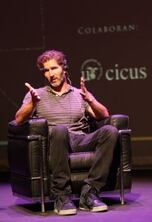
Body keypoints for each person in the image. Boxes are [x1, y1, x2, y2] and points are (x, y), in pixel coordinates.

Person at [14, 50, 118, 216]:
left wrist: (90, 99)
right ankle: (61, 196)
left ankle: (90, 192)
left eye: (54, 68)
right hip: (56, 141)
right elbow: (18, 120)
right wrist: (31, 104)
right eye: (46, 71)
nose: (50, 74)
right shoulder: (37, 95)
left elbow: (104, 115)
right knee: (60, 130)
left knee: (110, 131)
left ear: (64, 68)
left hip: (80, 138)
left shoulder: (79, 94)